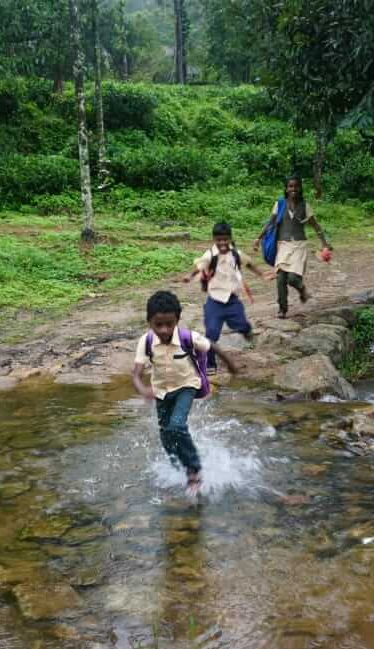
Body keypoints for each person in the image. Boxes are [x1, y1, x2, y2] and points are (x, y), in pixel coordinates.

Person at [130, 291, 238, 497]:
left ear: (177, 320)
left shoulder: (189, 337)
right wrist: (143, 389)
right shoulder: (146, 342)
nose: (164, 330)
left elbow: (212, 346)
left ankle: (194, 469)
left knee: (177, 425)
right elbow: (136, 374)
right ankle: (177, 463)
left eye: (169, 324)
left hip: (187, 386)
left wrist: (231, 365)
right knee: (166, 434)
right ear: (149, 322)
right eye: (158, 325)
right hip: (161, 391)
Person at [182, 222, 270, 373]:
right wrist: (189, 276)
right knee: (211, 334)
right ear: (214, 239)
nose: (222, 243)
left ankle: (246, 331)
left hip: (231, 300)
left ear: (230, 238)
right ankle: (210, 364)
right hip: (214, 302)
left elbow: (249, 264)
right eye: (219, 240)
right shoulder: (210, 254)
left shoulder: (236, 254)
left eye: (225, 239)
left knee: (241, 324)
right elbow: (199, 267)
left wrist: (262, 274)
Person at [255, 177, 333, 318]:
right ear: (286, 188)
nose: (293, 189)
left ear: (300, 188)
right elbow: (270, 223)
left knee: (292, 278)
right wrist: (258, 238)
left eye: (296, 186)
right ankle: (282, 308)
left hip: (299, 245)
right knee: (280, 278)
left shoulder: (305, 206)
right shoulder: (279, 204)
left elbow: (316, 226)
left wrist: (325, 243)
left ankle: (302, 289)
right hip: (283, 245)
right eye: (290, 186)